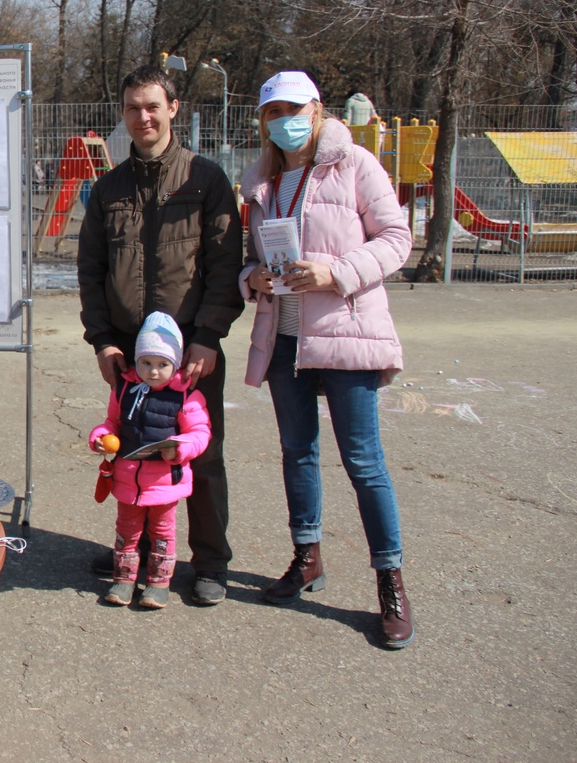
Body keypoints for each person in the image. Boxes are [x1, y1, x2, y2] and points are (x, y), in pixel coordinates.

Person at [240, 70, 415, 648]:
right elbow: (249, 257)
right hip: (284, 333)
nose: (282, 120)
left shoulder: (356, 164)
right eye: (271, 112)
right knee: (297, 451)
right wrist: (254, 276)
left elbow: (396, 238)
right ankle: (306, 557)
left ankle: (389, 581)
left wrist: (335, 272)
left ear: (316, 111)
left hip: (345, 330)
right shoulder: (262, 181)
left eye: (292, 108)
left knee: (363, 460)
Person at [76, 65, 244, 605]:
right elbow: (91, 270)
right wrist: (102, 339)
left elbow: (224, 265)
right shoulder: (108, 189)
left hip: (189, 351)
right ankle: (143, 552)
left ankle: (211, 560)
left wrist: (209, 335)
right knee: (132, 451)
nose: (142, 117)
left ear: (174, 107)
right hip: (129, 352)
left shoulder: (205, 179)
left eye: (152, 106)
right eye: (132, 108)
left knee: (198, 451)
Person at [88, 313, 211, 608]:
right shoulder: (125, 390)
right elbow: (112, 423)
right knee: (126, 531)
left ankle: (158, 583)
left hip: (165, 482)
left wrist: (179, 448)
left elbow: (200, 433)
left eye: (162, 365)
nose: (153, 372)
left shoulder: (186, 398)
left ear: (176, 364)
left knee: (163, 532)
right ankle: (124, 579)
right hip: (128, 478)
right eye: (146, 363)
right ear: (137, 360)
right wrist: (101, 436)